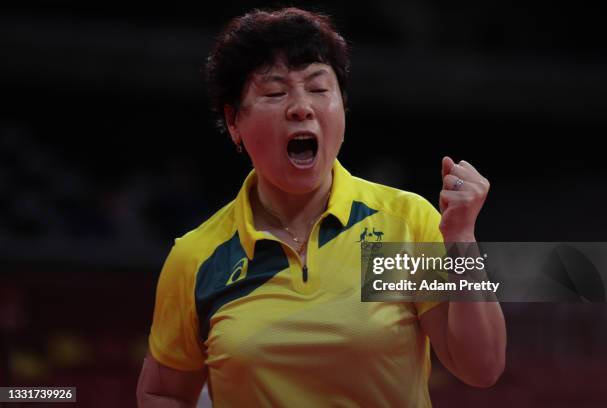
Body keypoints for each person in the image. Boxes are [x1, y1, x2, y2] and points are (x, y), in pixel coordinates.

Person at [137, 7, 506, 407]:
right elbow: (162, 392)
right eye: (275, 92)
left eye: (317, 88)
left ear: (342, 108)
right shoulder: (198, 258)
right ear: (234, 123)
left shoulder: (403, 225)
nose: (301, 107)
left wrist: (462, 239)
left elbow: (481, 367)